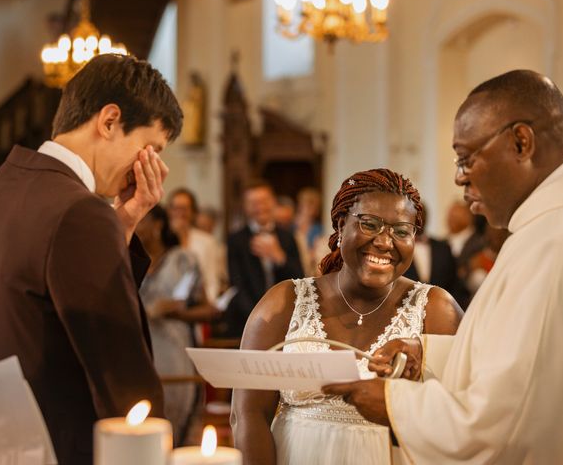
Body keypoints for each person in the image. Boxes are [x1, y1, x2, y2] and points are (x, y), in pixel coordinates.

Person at [323, 70, 563, 464]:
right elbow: (537, 364)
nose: (459, 176)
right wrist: (427, 355)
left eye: (466, 158)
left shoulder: (556, 242)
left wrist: (396, 405)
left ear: (521, 142)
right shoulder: (551, 227)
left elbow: (503, 427)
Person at [0, 54, 183, 465]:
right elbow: (119, 367)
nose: (148, 168)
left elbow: (54, 304)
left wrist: (125, 222)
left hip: (6, 442)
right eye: (149, 148)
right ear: (110, 121)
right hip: (69, 447)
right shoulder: (80, 213)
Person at [231, 169, 463, 465]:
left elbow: (460, 416)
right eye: (370, 224)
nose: (385, 242)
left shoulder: (437, 309)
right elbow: (249, 414)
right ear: (341, 226)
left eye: (401, 231)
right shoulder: (284, 302)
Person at [136, 205, 219, 445]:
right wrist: (150, 311)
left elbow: (208, 309)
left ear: (157, 224)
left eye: (142, 221)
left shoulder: (182, 259)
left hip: (174, 350)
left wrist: (174, 313)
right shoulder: (125, 257)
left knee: (176, 424)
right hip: (140, 349)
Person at [225, 181, 304, 339]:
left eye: (264, 201)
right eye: (254, 203)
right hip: (247, 319)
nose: (260, 207)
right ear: (246, 207)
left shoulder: (287, 237)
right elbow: (237, 284)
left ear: (273, 202)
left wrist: (279, 257)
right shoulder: (236, 240)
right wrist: (259, 318)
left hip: (286, 319)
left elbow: (301, 278)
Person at [168, 188, 223, 303]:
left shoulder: (207, 242)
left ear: (193, 212)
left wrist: (207, 304)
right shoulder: (161, 241)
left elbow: (212, 280)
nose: (179, 213)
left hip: (198, 304)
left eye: (184, 209)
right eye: (175, 208)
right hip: (167, 303)